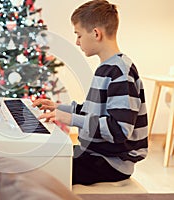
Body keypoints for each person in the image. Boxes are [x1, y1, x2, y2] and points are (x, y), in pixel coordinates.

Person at [32, 0, 148, 185]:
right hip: (98, 153)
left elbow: (119, 129)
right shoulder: (108, 68)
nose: (77, 42)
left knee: (44, 172)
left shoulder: (120, 72)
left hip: (111, 163)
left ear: (96, 33)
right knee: (44, 159)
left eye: (78, 35)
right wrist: (60, 107)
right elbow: (95, 113)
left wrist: (70, 119)